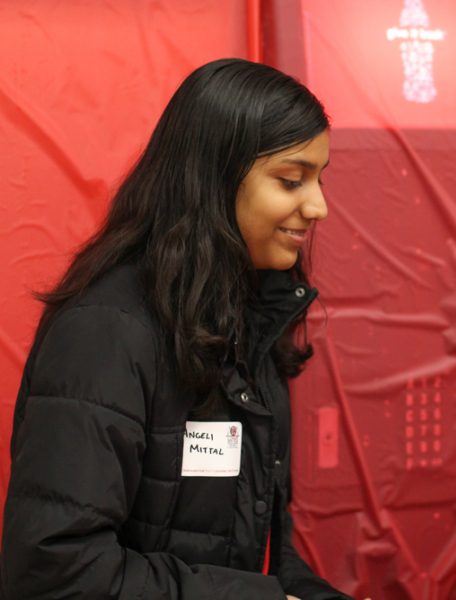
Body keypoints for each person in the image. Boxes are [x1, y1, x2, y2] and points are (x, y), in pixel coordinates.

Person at [0, 58, 352, 600]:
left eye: (319, 178)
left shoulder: (248, 317)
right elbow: (55, 570)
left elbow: (259, 553)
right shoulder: (107, 334)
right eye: (290, 180)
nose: (318, 207)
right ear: (214, 177)